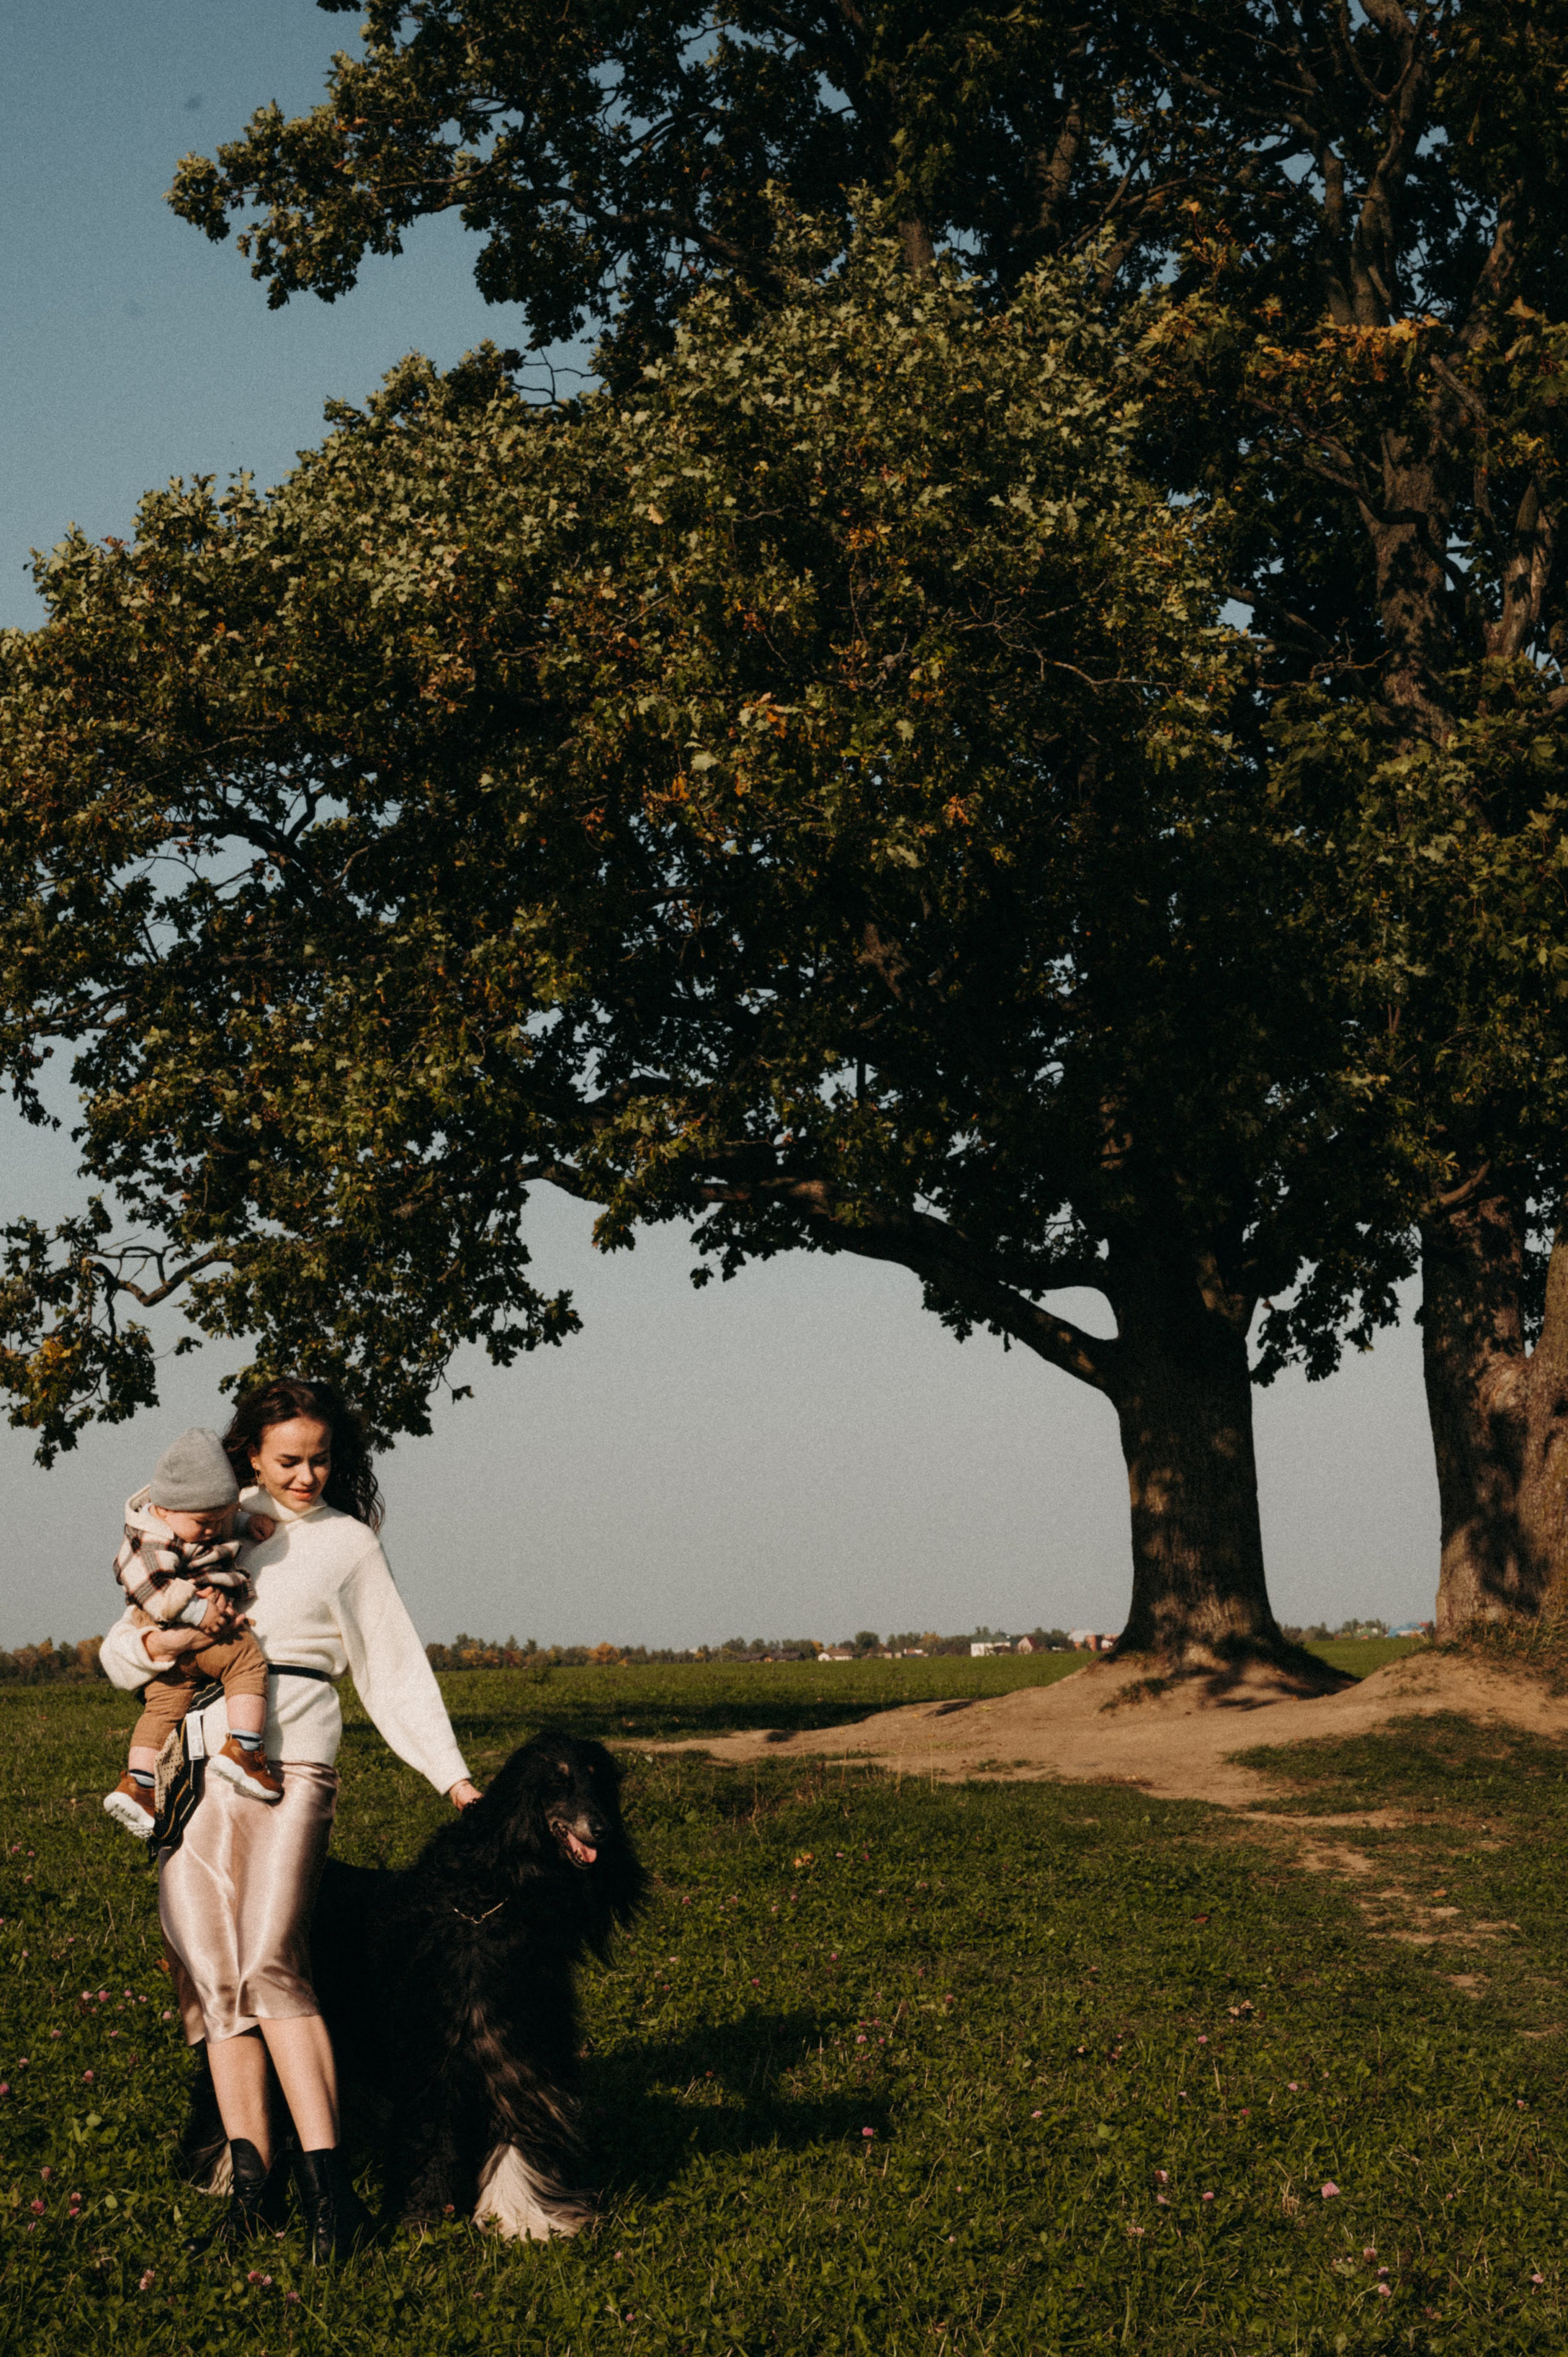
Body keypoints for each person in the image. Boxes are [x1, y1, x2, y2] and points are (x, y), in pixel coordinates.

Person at [99, 1376, 480, 2261]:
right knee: (214, 1974)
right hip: (191, 1764)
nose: (307, 1474)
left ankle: (332, 2195)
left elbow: (392, 1670)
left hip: (290, 1760)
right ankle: (251, 2190)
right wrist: (159, 1645)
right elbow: (122, 1643)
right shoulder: (202, 1519)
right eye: (289, 1459)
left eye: (321, 1458)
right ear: (251, 1456)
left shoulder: (347, 1543)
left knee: (273, 1959)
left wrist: (455, 1779)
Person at [103, 1427, 281, 1837]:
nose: (214, 1530)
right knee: (246, 1660)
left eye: (222, 1519)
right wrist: (200, 1612)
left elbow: (212, 1517)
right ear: (163, 1509)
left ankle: (140, 1786)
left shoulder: (185, 1520)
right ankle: (246, 1750)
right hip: (182, 1621)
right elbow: (152, 1589)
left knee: (163, 1707)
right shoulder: (145, 1541)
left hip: (169, 1651)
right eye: (206, 1522)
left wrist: (245, 1522)